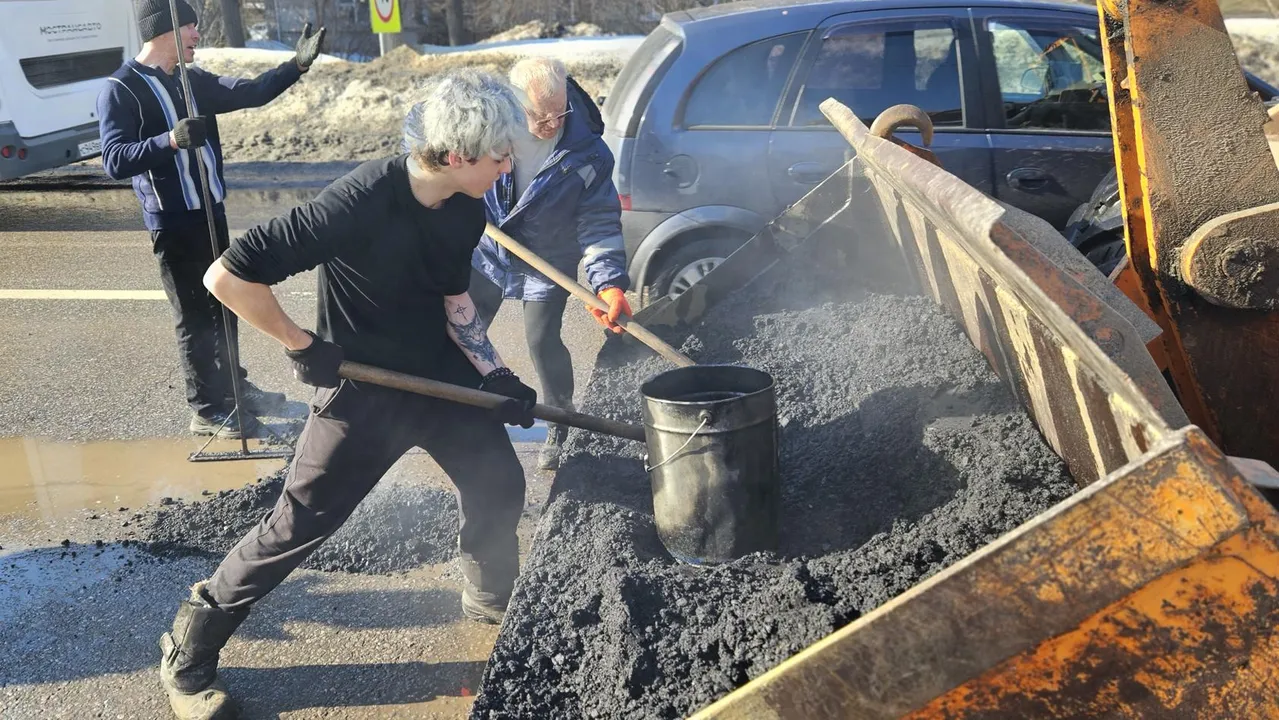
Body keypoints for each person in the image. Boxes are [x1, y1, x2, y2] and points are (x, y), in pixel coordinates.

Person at [154, 68, 537, 720]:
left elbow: (453, 299)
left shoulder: (466, 205)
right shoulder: (357, 202)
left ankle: (487, 592)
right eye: (501, 157)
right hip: (365, 392)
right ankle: (188, 650)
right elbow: (228, 276)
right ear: (455, 155)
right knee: (296, 525)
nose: (509, 167)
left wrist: (493, 371)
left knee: (499, 479)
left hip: (439, 378)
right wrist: (303, 344)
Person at [97, 0, 326, 438]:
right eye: (190, 28)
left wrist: (296, 66)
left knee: (226, 301)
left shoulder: (191, 79)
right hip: (171, 220)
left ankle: (232, 388)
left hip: (210, 212)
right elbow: (113, 159)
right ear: (165, 29)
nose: (197, 36)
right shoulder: (120, 88)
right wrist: (170, 140)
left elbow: (250, 93)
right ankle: (206, 408)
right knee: (193, 317)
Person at [466, 57, 631, 471]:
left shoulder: (586, 152)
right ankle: (460, 413)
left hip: (548, 258)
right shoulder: (488, 128)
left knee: (541, 340)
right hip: (488, 247)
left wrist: (607, 283)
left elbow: (598, 220)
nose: (553, 122)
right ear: (514, 102)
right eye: (541, 116)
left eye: (560, 112)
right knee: (467, 331)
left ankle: (560, 422)